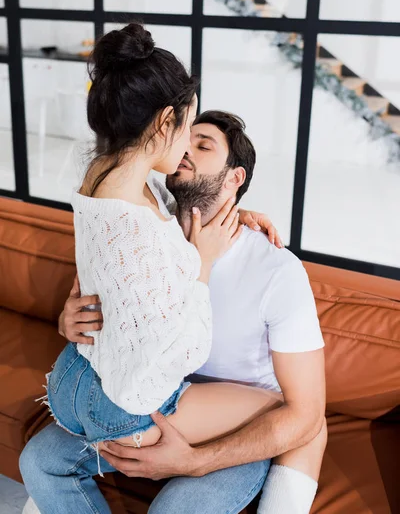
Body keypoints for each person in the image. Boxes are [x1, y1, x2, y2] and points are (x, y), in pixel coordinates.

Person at [20, 107, 326, 514]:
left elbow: (306, 414)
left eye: (204, 146)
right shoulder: (151, 233)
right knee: (39, 463)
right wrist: (70, 318)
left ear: (235, 178)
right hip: (149, 398)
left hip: (231, 432)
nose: (187, 150)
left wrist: (195, 461)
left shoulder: (277, 270)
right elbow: (109, 304)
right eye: (187, 139)